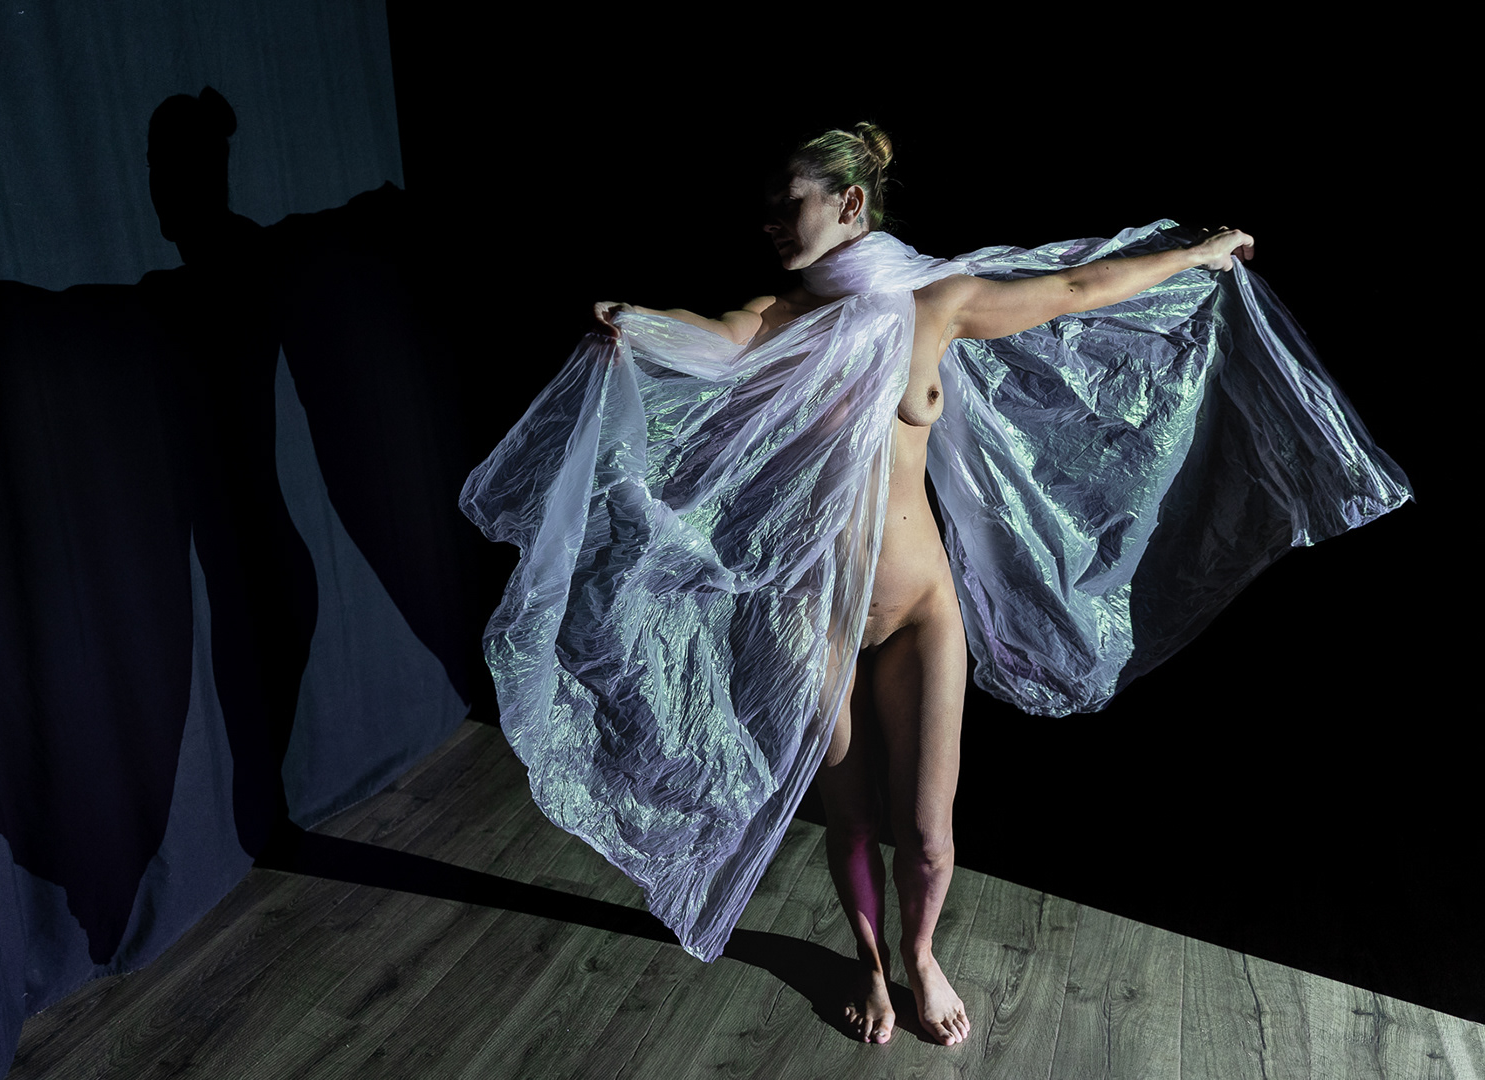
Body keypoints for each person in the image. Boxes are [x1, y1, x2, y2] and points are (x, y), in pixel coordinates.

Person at [461, 125, 1407, 1048]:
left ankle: (921, 954)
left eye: (788, 203)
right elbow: (711, 337)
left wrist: (1197, 254)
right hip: (812, 611)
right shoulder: (780, 319)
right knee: (850, 818)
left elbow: (1076, 289)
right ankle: (871, 964)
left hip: (919, 610)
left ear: (849, 202)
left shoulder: (937, 305)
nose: (770, 222)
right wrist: (636, 324)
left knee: (926, 835)